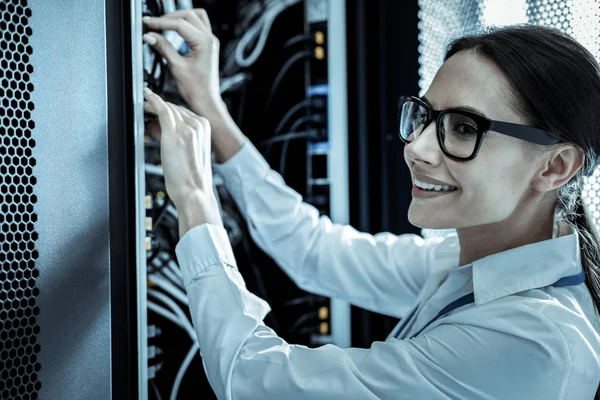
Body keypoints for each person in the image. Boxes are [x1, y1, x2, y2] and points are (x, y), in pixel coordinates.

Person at [141, 9, 600, 400]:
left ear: (555, 167)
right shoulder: (475, 258)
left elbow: (253, 381)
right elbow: (314, 250)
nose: (416, 148)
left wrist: (195, 197)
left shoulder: (535, 343)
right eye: (425, 117)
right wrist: (209, 107)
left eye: (462, 128)